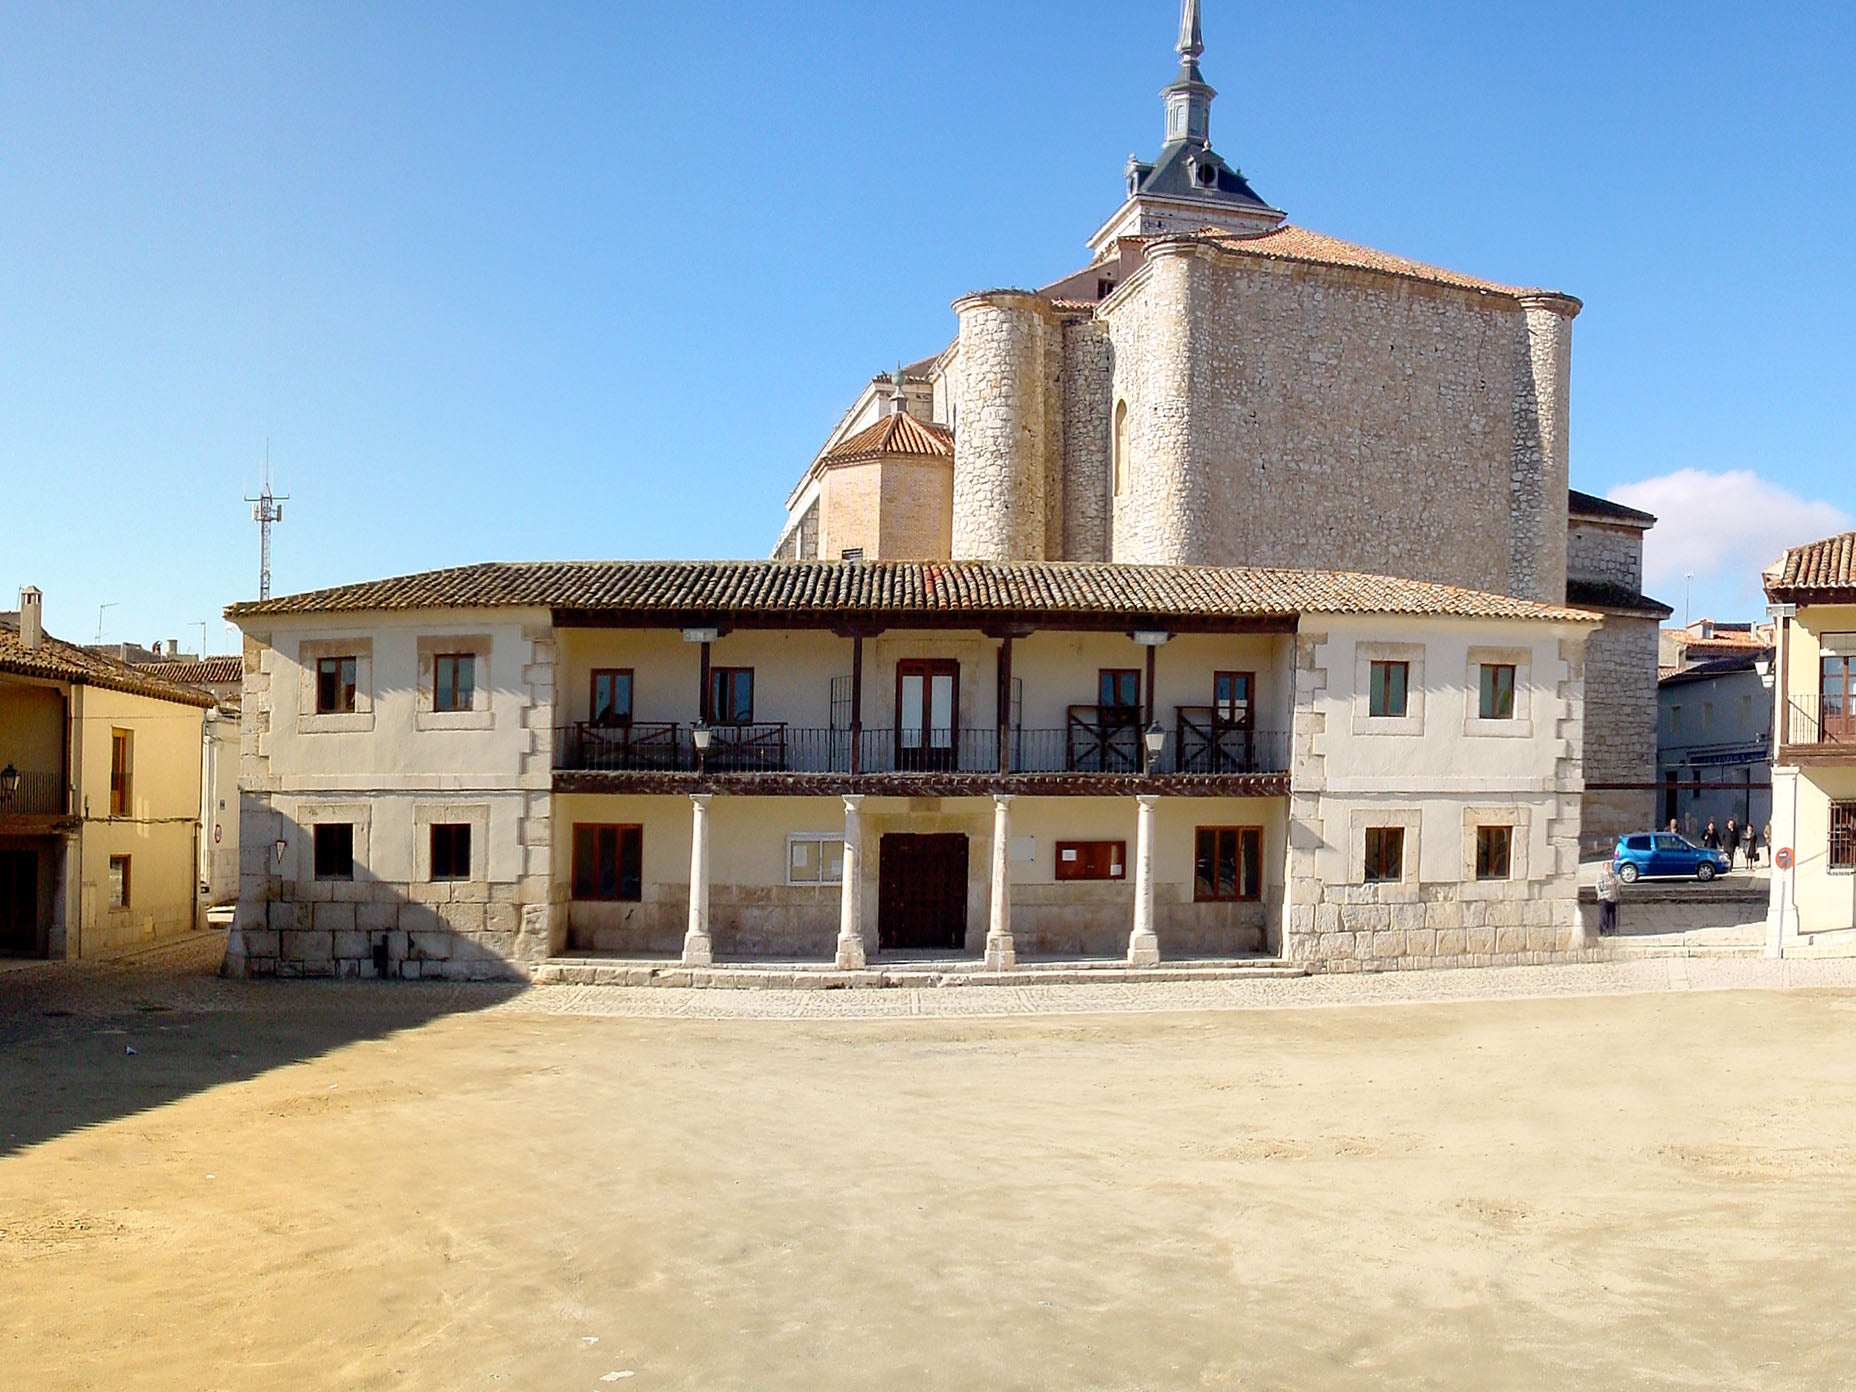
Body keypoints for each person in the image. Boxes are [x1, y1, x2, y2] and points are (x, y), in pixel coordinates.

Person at [1596, 860, 1622, 936]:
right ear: (1604, 867)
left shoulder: (1612, 875)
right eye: (1607, 866)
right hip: (1604, 897)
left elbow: (1618, 883)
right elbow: (1599, 886)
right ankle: (1604, 930)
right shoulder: (1601, 875)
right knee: (1604, 915)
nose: (1608, 867)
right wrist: (1608, 884)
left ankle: (1612, 930)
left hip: (1613, 897)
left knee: (1612, 915)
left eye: (1609, 866)